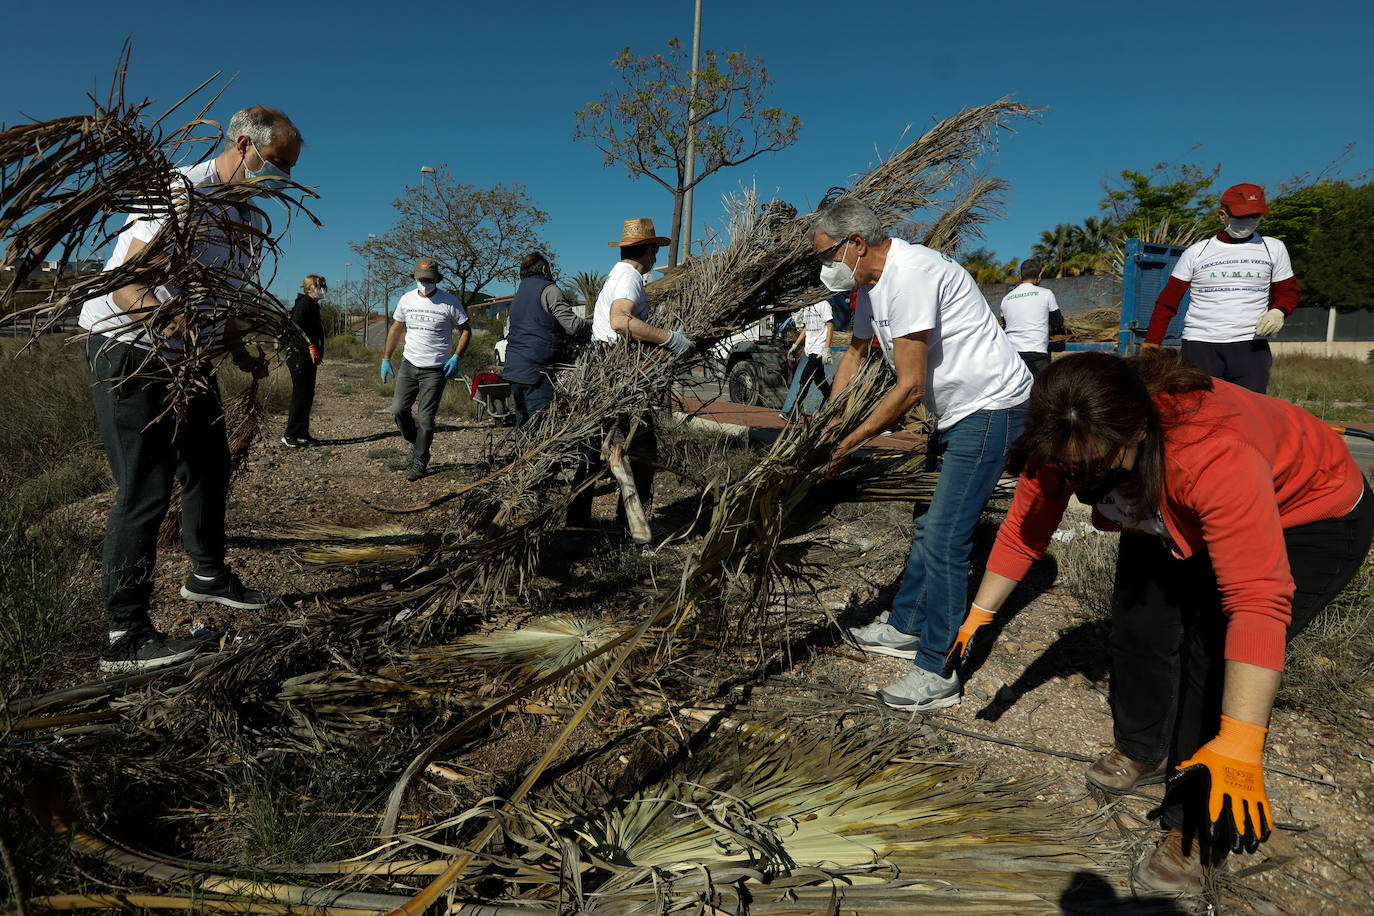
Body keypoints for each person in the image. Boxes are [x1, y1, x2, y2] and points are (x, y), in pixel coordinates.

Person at [950, 350, 1372, 893]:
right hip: (1166, 499)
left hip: (1308, 512)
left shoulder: (1209, 452)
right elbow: (1023, 533)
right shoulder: (1064, 434)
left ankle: (1192, 829)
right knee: (1138, 625)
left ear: (1137, 429)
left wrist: (1241, 743)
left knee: (1213, 655)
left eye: (1095, 464)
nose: (1080, 477)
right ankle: (1143, 749)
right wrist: (977, 619)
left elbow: (1257, 601)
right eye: (1070, 466)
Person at [79, 105, 301, 674]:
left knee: (208, 462)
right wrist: (165, 318)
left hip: (188, 356)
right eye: (279, 163)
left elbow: (218, 299)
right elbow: (127, 283)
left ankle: (206, 573)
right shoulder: (181, 192)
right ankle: (124, 636)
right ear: (246, 147)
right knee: (146, 487)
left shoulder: (247, 218)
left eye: (291, 168)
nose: (284, 179)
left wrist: (237, 348)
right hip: (130, 349)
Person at [815, 199, 1033, 710]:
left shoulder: (911, 274)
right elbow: (854, 353)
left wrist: (850, 442)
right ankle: (907, 626)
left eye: (826, 255)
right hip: (954, 411)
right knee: (925, 522)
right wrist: (829, 422)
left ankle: (938, 668)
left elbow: (910, 387)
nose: (824, 267)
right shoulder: (869, 285)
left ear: (856, 244)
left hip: (989, 409)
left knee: (946, 536)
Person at [573, 218, 695, 528]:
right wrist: (670, 338)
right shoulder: (629, 277)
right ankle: (630, 527)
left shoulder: (618, 274)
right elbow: (620, 321)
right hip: (615, 367)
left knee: (593, 446)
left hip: (602, 364)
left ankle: (576, 525)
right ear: (649, 249)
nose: (655, 257)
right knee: (642, 449)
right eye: (654, 249)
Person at [1143, 183, 1299, 393]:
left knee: (1249, 412)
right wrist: (1151, 346)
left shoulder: (1273, 248)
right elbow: (1167, 303)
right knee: (1200, 413)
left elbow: (1288, 291)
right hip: (1200, 346)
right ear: (1222, 215)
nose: (1249, 222)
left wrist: (1279, 311)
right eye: (1242, 216)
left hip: (1250, 347)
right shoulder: (1197, 252)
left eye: (1255, 216)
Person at [381, 258, 471, 481]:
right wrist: (386, 358)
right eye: (421, 279)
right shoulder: (406, 300)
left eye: (429, 280)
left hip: (435, 370)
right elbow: (395, 328)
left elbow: (466, 330)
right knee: (398, 411)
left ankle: (420, 460)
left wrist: (456, 357)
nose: (425, 283)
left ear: (437, 279)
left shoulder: (449, 302)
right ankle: (416, 444)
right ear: (415, 278)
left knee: (426, 420)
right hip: (409, 365)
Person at [503, 251, 590, 427]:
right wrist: (596, 323)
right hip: (536, 371)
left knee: (523, 425)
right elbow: (572, 326)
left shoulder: (519, 294)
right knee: (540, 429)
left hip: (514, 369)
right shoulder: (549, 290)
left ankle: (522, 455)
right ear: (544, 269)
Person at [999, 257, 1063, 378]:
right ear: (1039, 275)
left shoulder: (1006, 299)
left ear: (1020, 276)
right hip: (1037, 355)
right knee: (1042, 393)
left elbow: (1005, 326)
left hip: (1013, 356)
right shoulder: (1046, 294)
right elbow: (1058, 322)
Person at [282, 274, 326, 447]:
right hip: (299, 355)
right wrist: (309, 346)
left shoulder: (314, 306)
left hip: (310, 357)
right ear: (310, 288)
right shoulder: (304, 304)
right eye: (319, 285)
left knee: (308, 394)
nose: (323, 289)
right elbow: (296, 327)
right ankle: (290, 434)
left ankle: (302, 433)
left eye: (323, 285)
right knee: (300, 394)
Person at [781, 295, 835, 418]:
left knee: (805, 379)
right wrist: (795, 345)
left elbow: (830, 325)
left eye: (808, 291)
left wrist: (826, 348)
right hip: (810, 349)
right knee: (819, 379)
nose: (805, 295)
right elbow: (806, 328)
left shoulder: (824, 305)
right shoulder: (807, 307)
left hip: (819, 349)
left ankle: (794, 414)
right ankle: (834, 403)